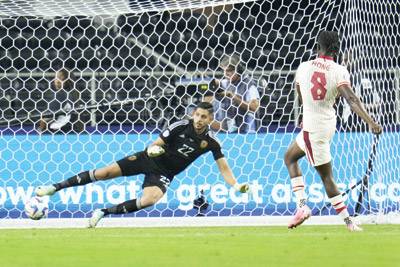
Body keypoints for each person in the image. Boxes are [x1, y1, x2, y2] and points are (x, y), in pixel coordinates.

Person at [35, 102, 250, 227]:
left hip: (164, 173)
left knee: (150, 200)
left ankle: (102, 212)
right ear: (193, 115)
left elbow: (223, 167)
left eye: (204, 117)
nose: (199, 119)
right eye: (197, 115)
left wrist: (235, 185)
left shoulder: (211, 142)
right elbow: (155, 145)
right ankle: (54, 188)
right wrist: (154, 149)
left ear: (210, 118)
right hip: (148, 159)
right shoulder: (180, 126)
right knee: (104, 173)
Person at [283, 31, 382, 231]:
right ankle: (302, 207)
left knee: (326, 177)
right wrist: (371, 122)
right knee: (290, 157)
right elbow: (351, 100)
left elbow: (300, 95)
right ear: (337, 49)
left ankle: (348, 222)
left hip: (313, 128)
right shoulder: (340, 71)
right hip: (325, 124)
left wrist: (307, 112)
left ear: (317, 47)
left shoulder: (303, 67)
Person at [204, 54, 260, 133]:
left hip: (248, 131)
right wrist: (213, 85)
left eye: (229, 70)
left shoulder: (250, 85)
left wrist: (233, 96)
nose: (226, 74)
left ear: (239, 70)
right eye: (224, 70)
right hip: (230, 131)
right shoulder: (225, 83)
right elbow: (213, 85)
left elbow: (254, 107)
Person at [341, 51, 382, 131]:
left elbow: (377, 104)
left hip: (358, 123)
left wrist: (361, 106)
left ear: (354, 62)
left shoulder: (364, 81)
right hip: (344, 124)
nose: (342, 63)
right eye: (342, 60)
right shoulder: (339, 79)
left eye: (346, 60)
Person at [37, 69, 82, 133]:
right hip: (71, 131)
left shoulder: (61, 94)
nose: (57, 81)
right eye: (56, 77)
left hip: (58, 132)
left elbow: (46, 117)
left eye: (59, 78)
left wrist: (39, 129)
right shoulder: (74, 94)